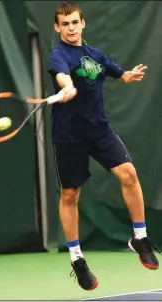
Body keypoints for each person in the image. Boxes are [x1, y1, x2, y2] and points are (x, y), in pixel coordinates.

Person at [47, 1, 159, 291]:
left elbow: (116, 73)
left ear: (83, 23)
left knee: (129, 175)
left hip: (100, 131)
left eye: (75, 22)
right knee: (70, 194)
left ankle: (140, 237)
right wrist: (66, 85)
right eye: (65, 24)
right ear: (57, 28)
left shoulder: (95, 55)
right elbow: (61, 74)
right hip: (69, 136)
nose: (71, 28)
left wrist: (128, 76)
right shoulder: (58, 55)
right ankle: (76, 257)